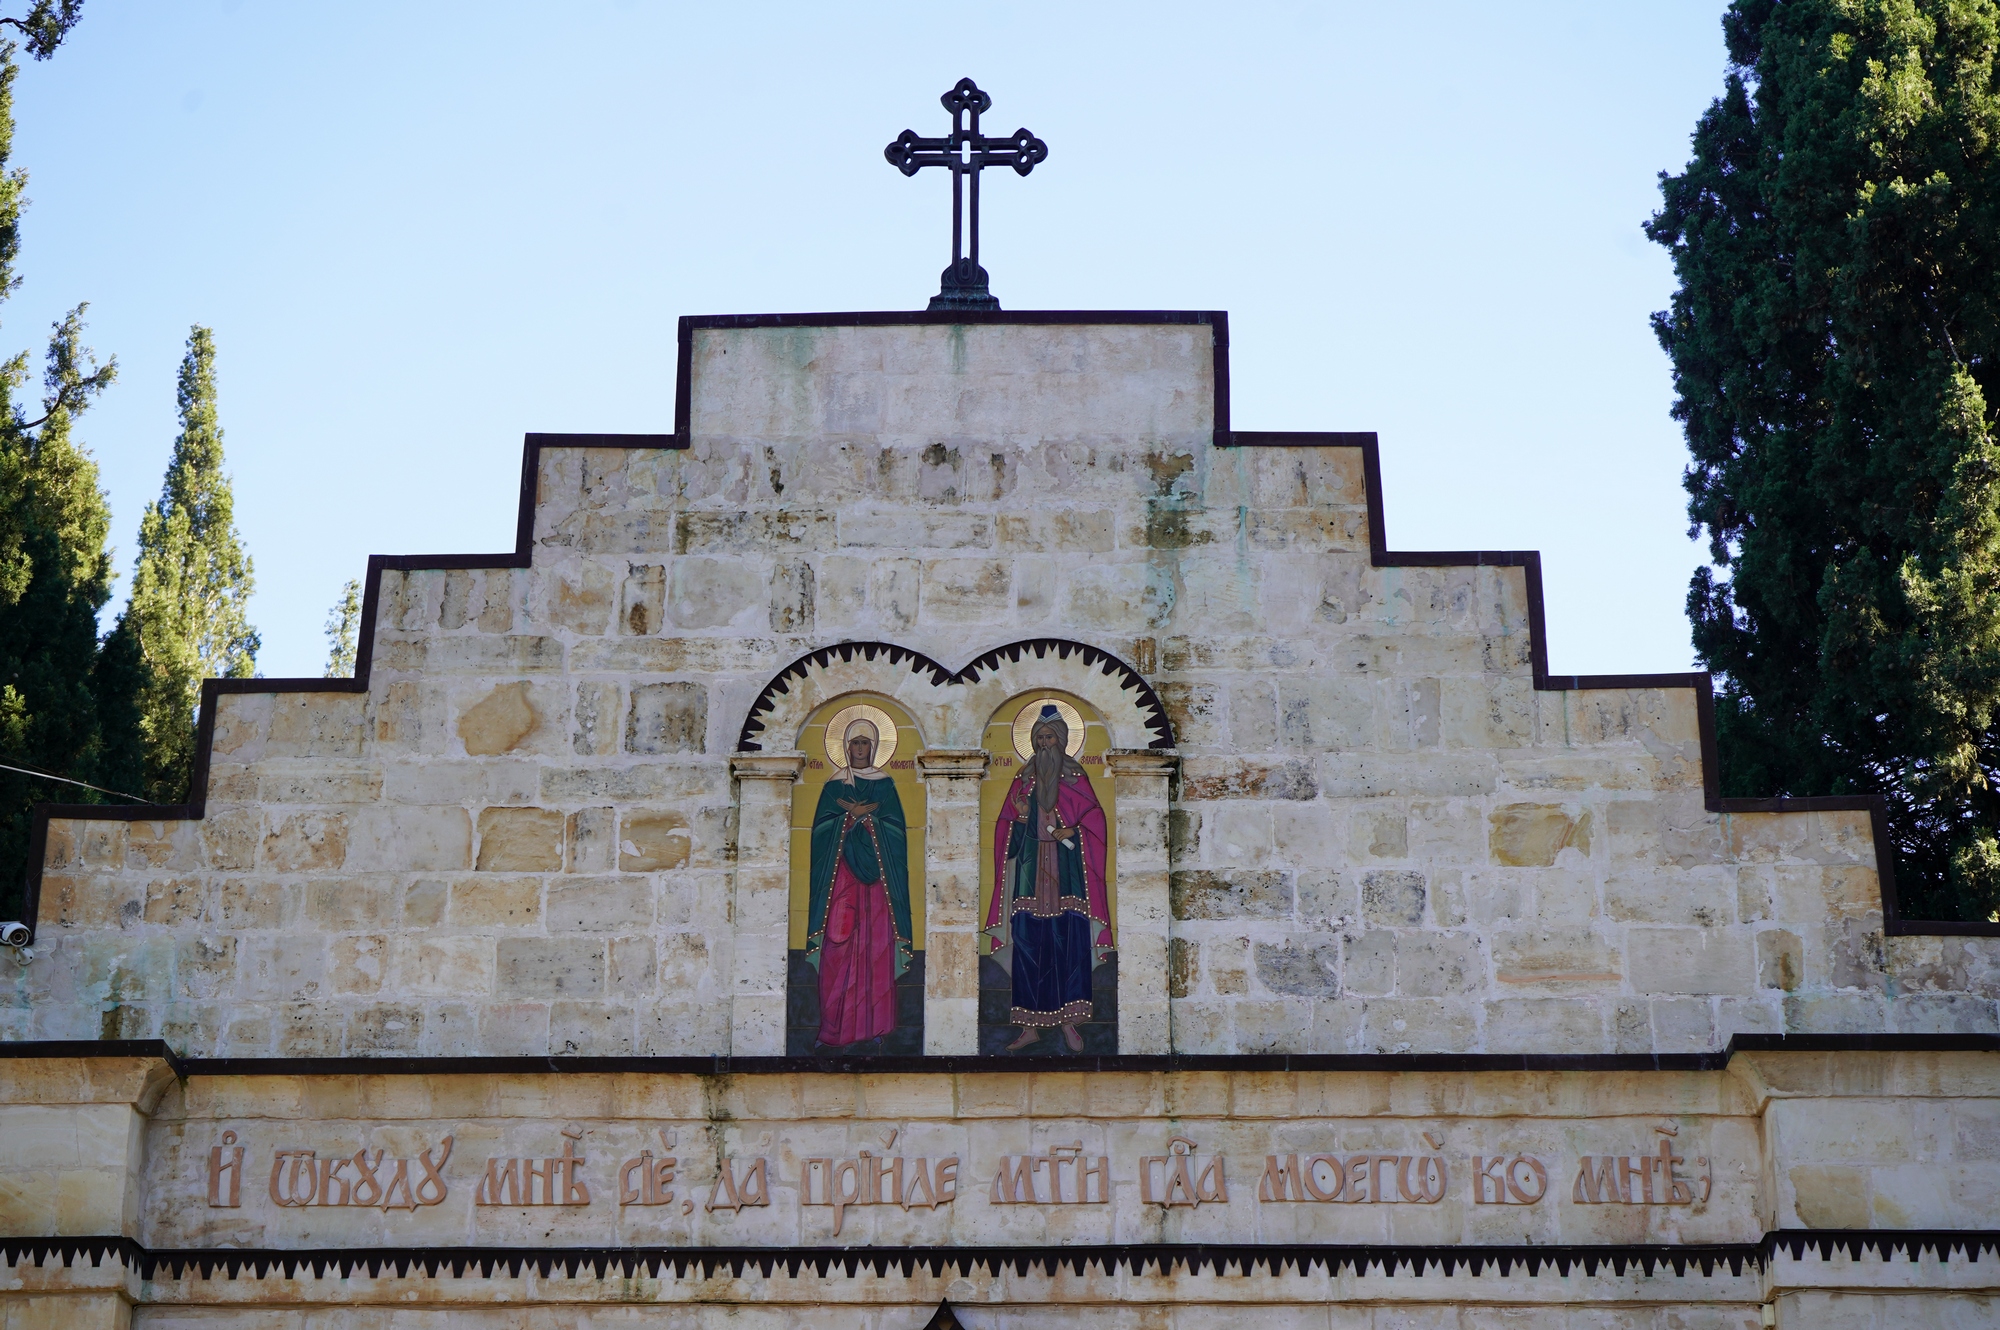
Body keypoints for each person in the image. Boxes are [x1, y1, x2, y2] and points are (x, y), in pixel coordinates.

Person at [985, 704, 1110, 1051]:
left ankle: (1070, 1022)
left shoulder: (1076, 777)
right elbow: (1003, 828)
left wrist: (1074, 829)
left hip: (1068, 875)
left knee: (1068, 942)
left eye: (1049, 737)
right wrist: (1021, 819)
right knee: (1028, 943)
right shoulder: (1023, 779)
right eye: (1038, 738)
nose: (1043, 744)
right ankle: (1029, 1026)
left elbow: (1095, 820)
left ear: (1063, 740)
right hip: (1029, 872)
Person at [804, 718, 912, 1047]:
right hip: (841, 882)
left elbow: (897, 833)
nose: (861, 749)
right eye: (855, 743)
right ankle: (834, 1028)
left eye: (866, 743)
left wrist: (871, 819)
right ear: (845, 747)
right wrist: (848, 818)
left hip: (877, 887)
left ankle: (875, 1028)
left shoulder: (886, 785)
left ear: (875, 747)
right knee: (837, 947)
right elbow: (820, 833)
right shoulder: (833, 786)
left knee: (876, 948)